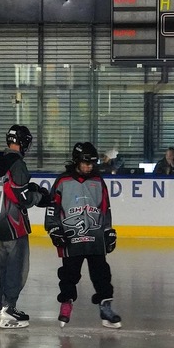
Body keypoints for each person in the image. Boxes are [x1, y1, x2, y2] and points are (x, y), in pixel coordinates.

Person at [45, 141, 122, 329]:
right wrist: (54, 229)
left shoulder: (98, 181)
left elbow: (105, 209)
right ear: (76, 161)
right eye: (86, 163)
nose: (89, 167)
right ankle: (66, 304)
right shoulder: (63, 181)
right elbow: (52, 208)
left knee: (102, 274)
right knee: (69, 274)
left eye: (92, 163)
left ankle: (105, 307)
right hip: (71, 238)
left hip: (95, 237)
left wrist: (108, 230)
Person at [0, 124, 51, 329]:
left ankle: (2, 307)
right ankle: (8, 309)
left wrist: (28, 189)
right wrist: (39, 196)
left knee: (5, 266)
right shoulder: (17, 164)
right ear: (23, 143)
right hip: (15, 224)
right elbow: (22, 197)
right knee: (17, 268)